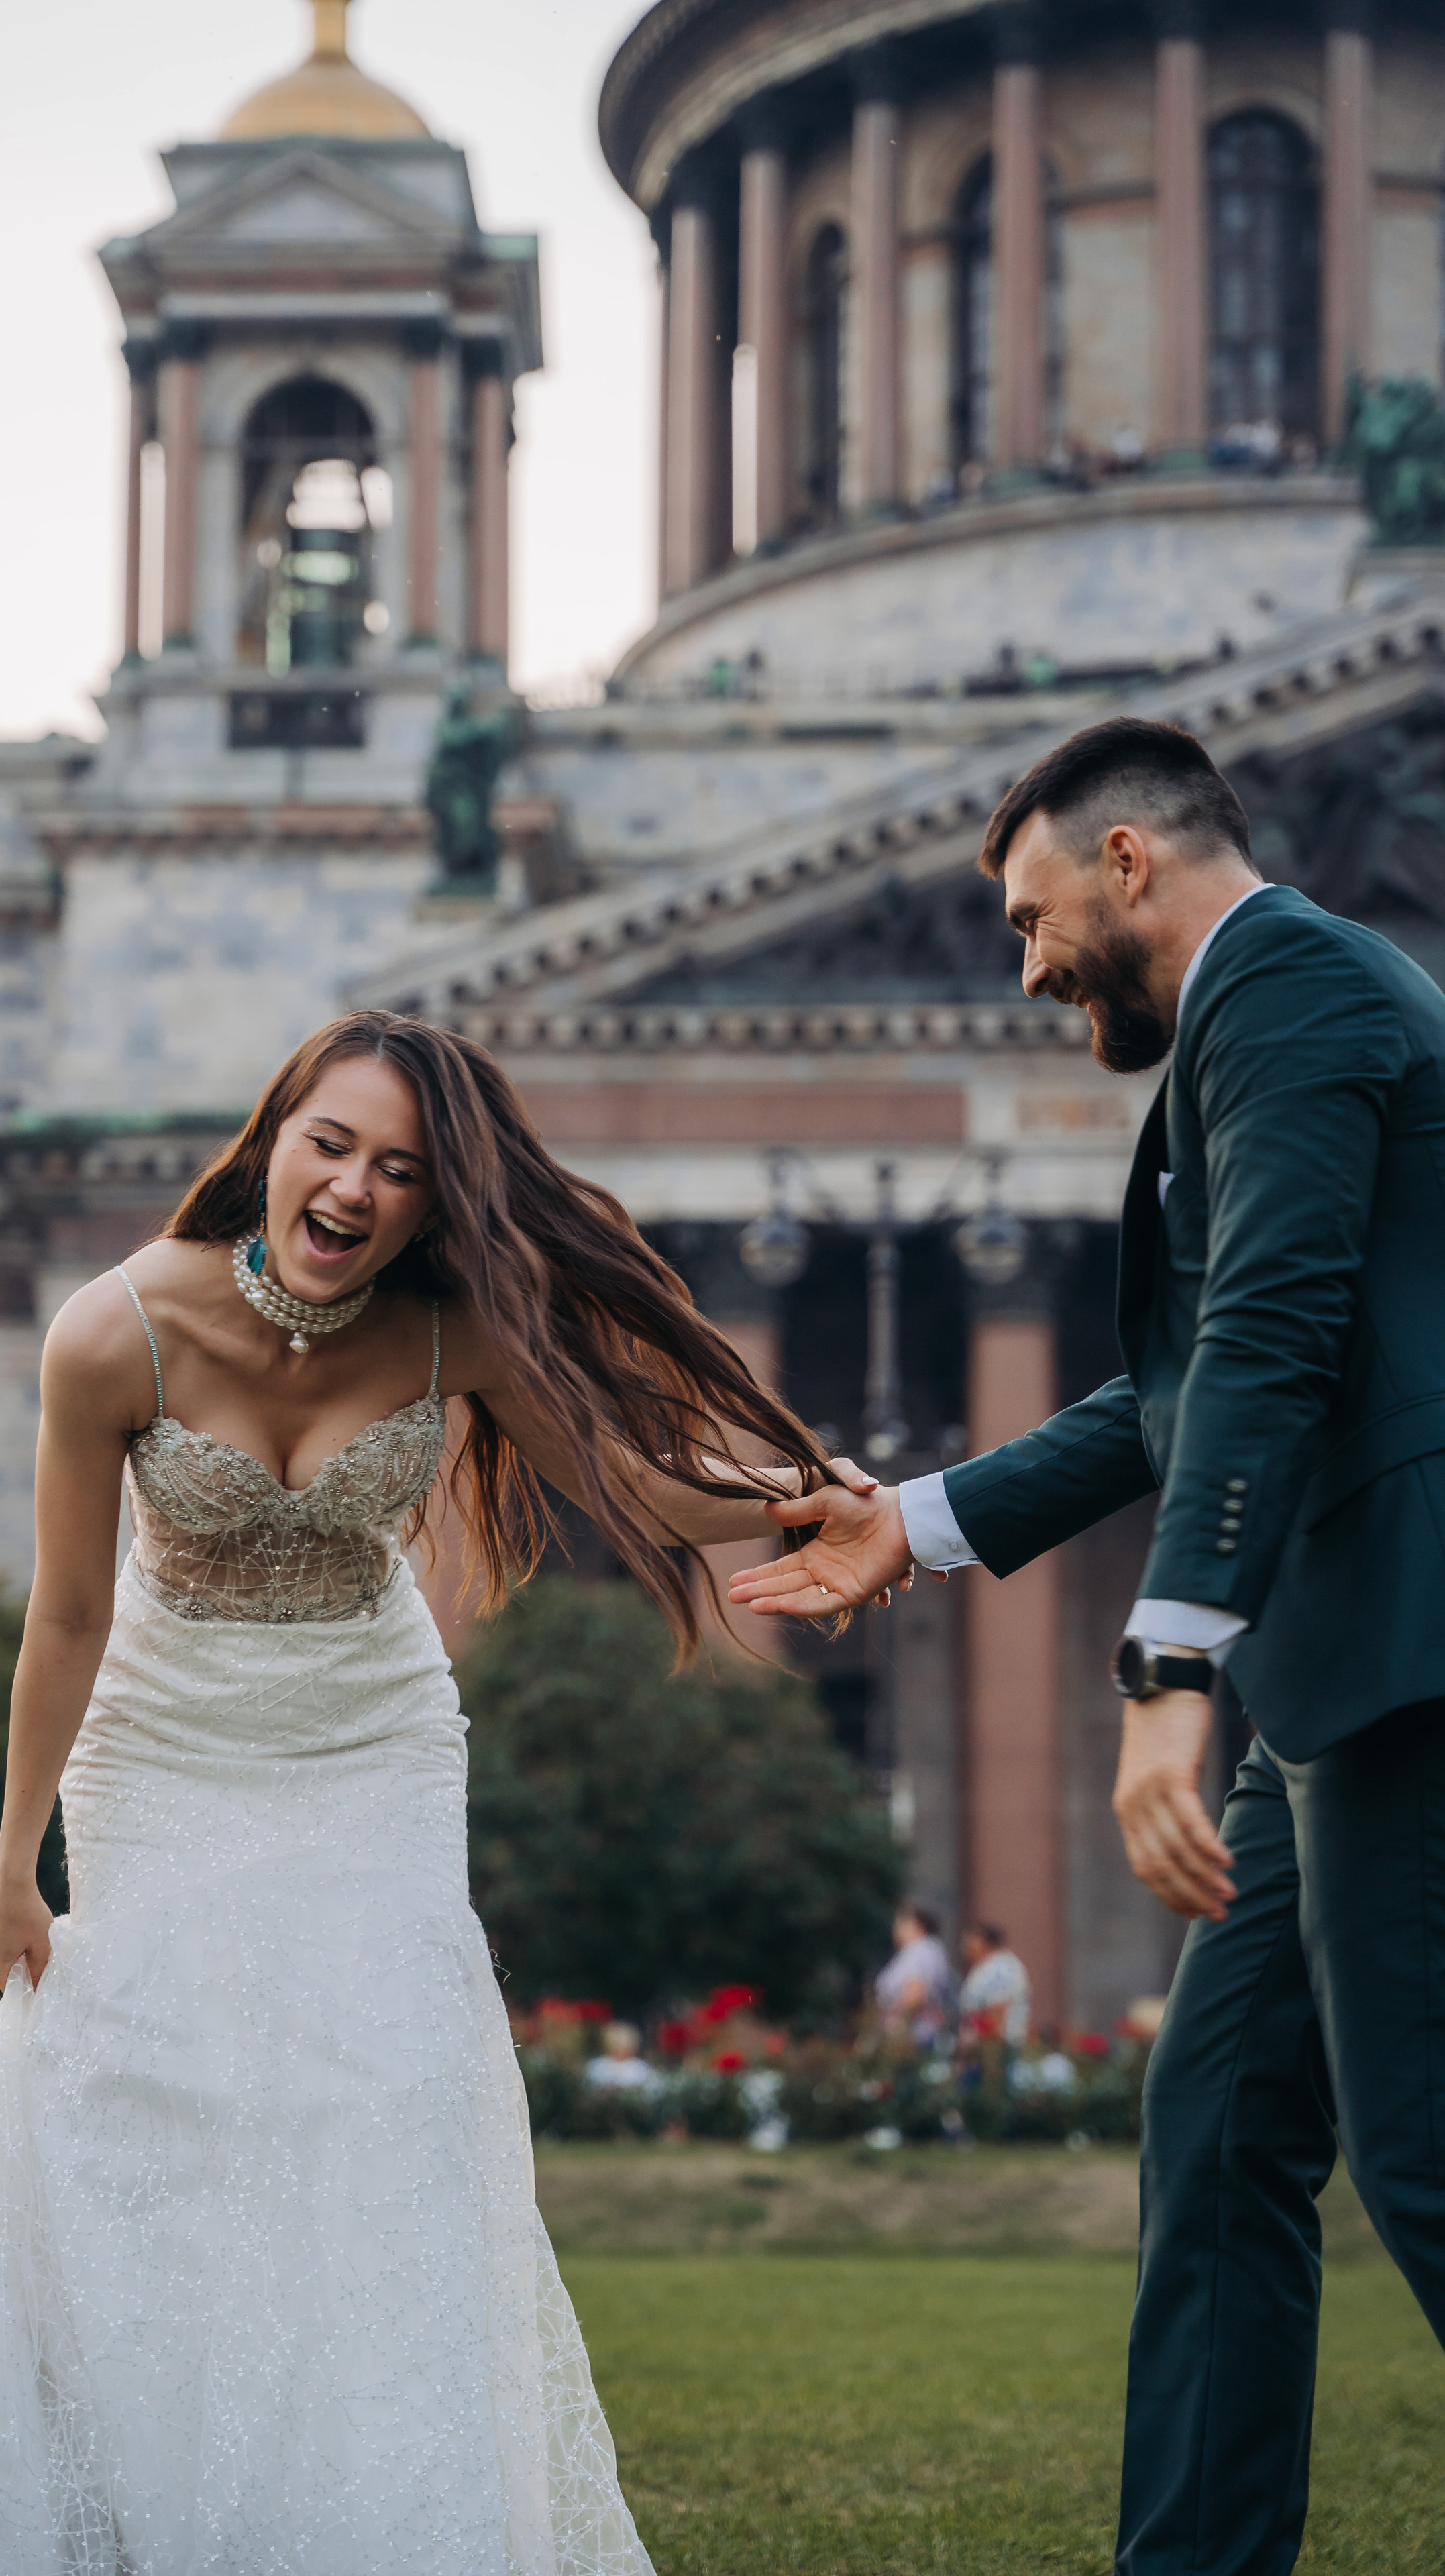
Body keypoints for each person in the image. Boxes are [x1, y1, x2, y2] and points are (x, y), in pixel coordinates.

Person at [0, 1010, 855, 2576]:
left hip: (369, 1735)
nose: (354, 1189)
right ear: (273, 1141)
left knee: (382, 2094)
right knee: (132, 2091)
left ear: (429, 1198)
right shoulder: (110, 1329)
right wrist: (12, 1868)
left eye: (399, 1169)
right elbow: (65, 1617)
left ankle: (372, 2503)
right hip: (168, 1734)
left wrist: (796, 1492)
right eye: (331, 1144)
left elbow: (625, 1482)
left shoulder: (452, 1328)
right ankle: (113, 2478)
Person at [729, 715, 1445, 2576]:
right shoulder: (1259, 1016)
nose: (1031, 965)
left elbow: (1277, 1335)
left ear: (1131, 861)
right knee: (1216, 2141)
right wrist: (923, 1521)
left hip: (1409, 1659)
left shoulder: (1287, 988)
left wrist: (1162, 1674)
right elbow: (1183, 1387)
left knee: (1429, 2160)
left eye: (1038, 916)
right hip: (1348, 1674)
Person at [871, 1903, 954, 2048]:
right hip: (911, 2034)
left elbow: (915, 1994)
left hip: (912, 2036)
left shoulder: (921, 1950)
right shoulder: (918, 1950)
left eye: (902, 1922)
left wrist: (899, 2028)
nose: (896, 1928)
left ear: (918, 1925)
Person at [957, 1922, 1030, 2047]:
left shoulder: (1001, 1966)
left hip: (998, 2045)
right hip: (981, 2045)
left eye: (970, 1939)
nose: (965, 1944)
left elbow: (999, 2008)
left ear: (983, 1941)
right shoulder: (985, 1966)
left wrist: (991, 2046)